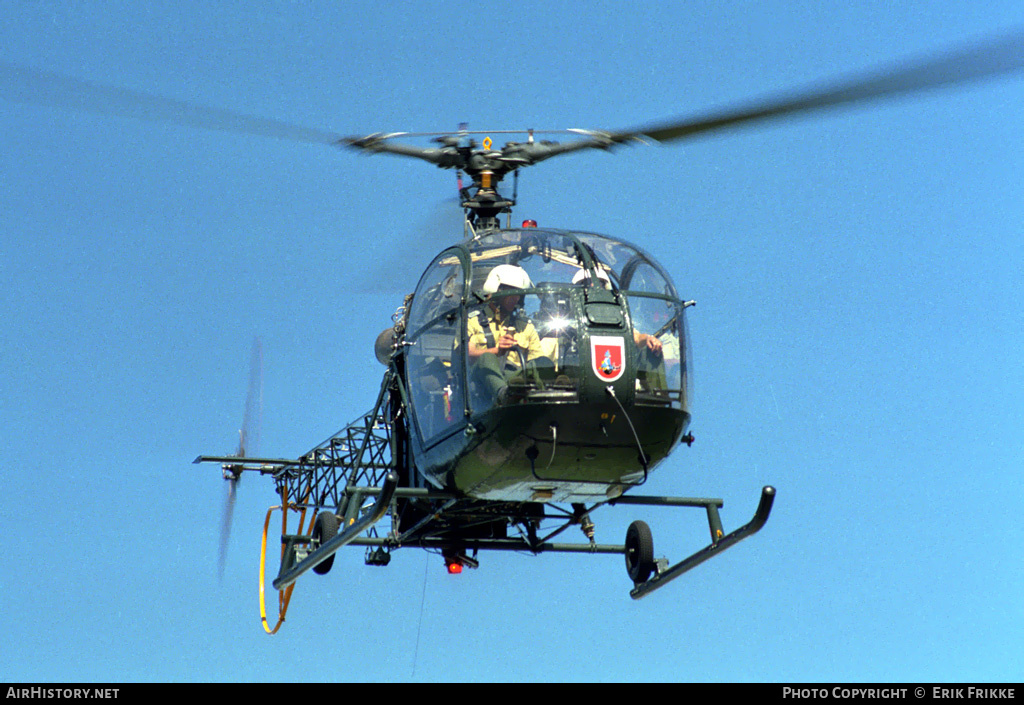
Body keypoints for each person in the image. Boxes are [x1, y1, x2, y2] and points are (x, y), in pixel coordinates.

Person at [467, 264, 552, 402]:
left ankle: (551, 393)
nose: (516, 298)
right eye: (510, 293)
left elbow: (536, 360)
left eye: (518, 295)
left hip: (516, 381)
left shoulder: (525, 326)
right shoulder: (472, 321)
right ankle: (503, 395)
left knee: (543, 362)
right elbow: (468, 355)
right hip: (484, 386)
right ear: (496, 291)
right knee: (487, 358)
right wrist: (497, 351)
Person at [571, 268, 663, 354]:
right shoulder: (569, 317)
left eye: (599, 283)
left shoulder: (615, 317)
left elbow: (636, 337)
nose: (593, 286)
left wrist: (648, 338)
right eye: (587, 282)